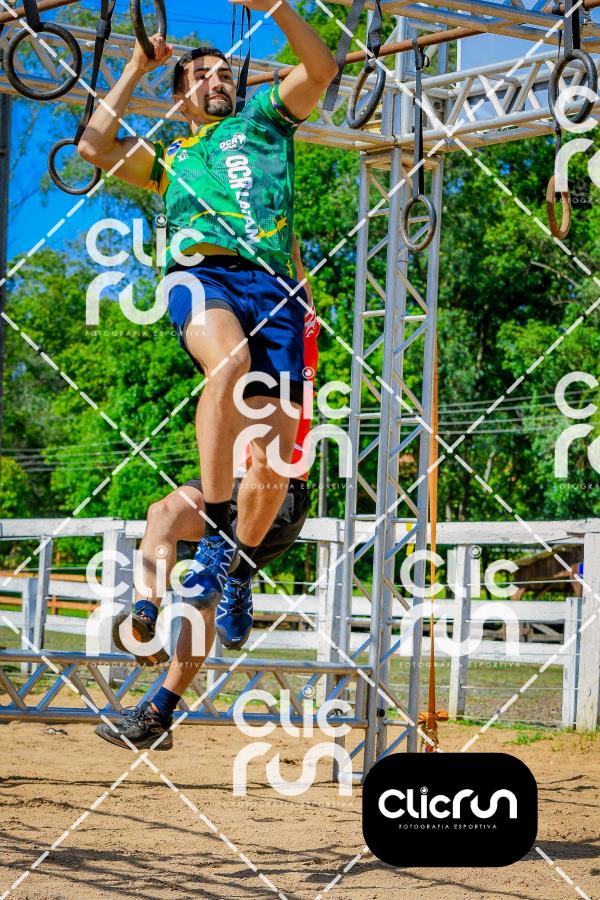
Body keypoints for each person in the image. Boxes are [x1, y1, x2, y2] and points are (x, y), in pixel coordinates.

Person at [79, 3, 336, 631]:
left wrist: (276, 7)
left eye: (224, 73)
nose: (216, 80)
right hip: (201, 275)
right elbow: (93, 145)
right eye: (201, 76)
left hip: (273, 288)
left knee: (273, 467)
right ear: (181, 96)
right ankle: (217, 530)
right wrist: (136, 66)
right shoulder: (169, 158)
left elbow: (322, 68)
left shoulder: (266, 121)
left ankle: (236, 570)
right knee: (227, 365)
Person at [95, 249, 320, 751]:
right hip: (224, 487)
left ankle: (160, 709)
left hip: (276, 494)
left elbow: (297, 279)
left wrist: (284, 241)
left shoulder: (292, 331)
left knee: (205, 584)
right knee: (163, 514)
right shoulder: (227, 343)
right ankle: (144, 614)